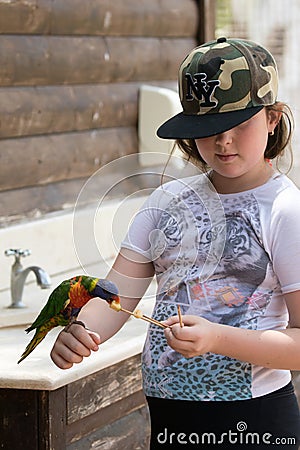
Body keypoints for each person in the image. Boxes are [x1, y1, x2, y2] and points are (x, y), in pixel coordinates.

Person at [51, 37, 300, 449]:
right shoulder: (166, 202)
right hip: (169, 417)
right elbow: (115, 298)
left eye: (240, 125)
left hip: (255, 422)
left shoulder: (285, 210)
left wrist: (219, 339)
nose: (224, 142)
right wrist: (81, 330)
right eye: (210, 129)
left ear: (272, 118)